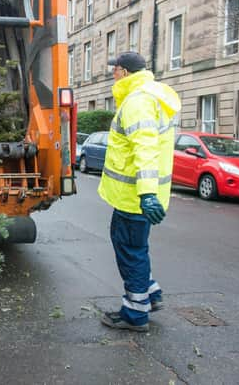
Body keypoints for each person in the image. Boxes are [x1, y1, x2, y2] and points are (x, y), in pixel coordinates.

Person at [98, 52, 181, 332]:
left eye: (114, 70)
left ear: (122, 71)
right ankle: (151, 295)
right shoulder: (153, 96)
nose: (113, 75)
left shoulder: (138, 101)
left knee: (130, 251)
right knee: (134, 247)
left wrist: (146, 194)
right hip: (139, 196)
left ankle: (135, 314)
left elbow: (145, 149)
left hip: (134, 198)